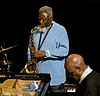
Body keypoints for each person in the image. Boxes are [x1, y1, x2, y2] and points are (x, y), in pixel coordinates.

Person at [28, 6, 69, 89]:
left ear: (51, 18)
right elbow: (30, 48)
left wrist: (45, 53)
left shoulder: (60, 30)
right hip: (37, 76)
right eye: (39, 19)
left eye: (44, 19)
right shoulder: (35, 30)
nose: (41, 22)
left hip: (55, 78)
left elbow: (64, 50)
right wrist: (30, 60)